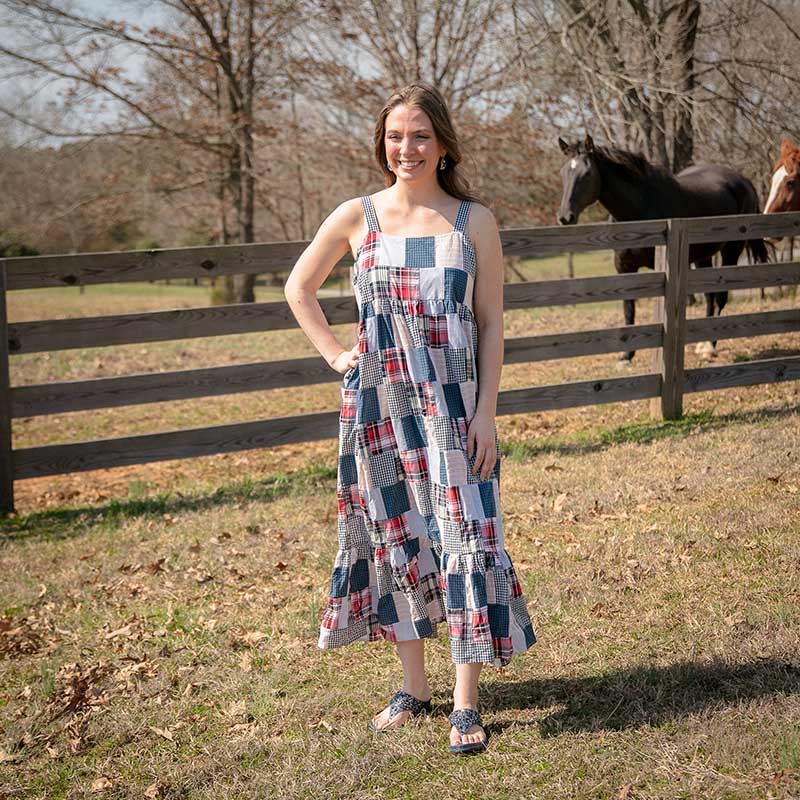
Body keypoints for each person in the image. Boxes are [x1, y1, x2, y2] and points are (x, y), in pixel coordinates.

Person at [284, 83, 535, 755]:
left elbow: (489, 324)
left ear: (444, 143)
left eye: (420, 135)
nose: (407, 148)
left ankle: (464, 703)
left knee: (466, 535)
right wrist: (339, 354)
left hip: (454, 408)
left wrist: (486, 413)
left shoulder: (471, 222)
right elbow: (298, 288)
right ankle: (414, 687)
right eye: (396, 136)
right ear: (381, 143)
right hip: (379, 409)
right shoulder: (357, 216)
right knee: (399, 539)